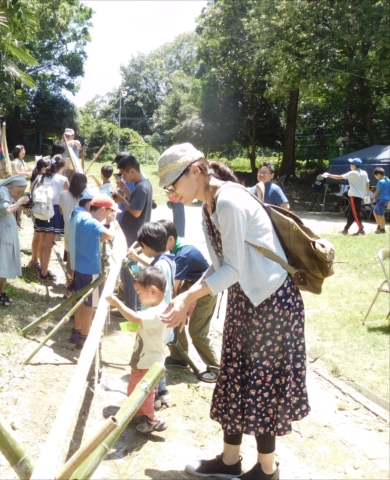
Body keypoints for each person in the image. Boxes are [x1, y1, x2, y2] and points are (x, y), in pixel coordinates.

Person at [158, 143, 308, 480]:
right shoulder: (208, 206)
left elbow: (234, 271)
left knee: (262, 385)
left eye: (172, 184)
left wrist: (186, 298)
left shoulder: (229, 201)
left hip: (271, 306)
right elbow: (220, 265)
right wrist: (192, 299)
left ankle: (267, 469)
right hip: (246, 303)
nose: (171, 193)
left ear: (195, 170)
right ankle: (229, 460)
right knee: (235, 379)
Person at [105, 267, 170, 434]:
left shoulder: (156, 313)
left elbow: (134, 317)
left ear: (153, 290)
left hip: (147, 362)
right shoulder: (161, 309)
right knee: (135, 388)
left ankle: (153, 419)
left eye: (139, 293)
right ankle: (140, 414)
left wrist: (116, 303)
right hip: (145, 359)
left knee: (143, 393)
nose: (138, 297)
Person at [156, 218, 220, 383]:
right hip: (191, 285)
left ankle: (215, 368)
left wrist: (170, 304)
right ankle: (179, 357)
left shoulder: (183, 254)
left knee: (197, 331)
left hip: (206, 290)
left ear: (171, 239)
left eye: (160, 242)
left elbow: (174, 286)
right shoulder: (175, 248)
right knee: (175, 318)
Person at [126, 221, 176, 408]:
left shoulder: (160, 268)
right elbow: (153, 264)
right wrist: (138, 259)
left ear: (146, 246)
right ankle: (161, 392)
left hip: (157, 320)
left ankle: (156, 394)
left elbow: (152, 275)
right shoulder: (167, 260)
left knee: (154, 359)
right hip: (164, 318)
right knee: (158, 356)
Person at [69, 193, 118, 350]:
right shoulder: (93, 223)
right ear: (103, 210)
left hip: (79, 267)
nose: (109, 216)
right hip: (91, 269)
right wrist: (113, 224)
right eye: (109, 212)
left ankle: (77, 332)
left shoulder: (81, 217)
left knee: (80, 300)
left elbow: (100, 238)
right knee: (89, 305)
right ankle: (84, 337)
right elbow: (109, 235)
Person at [112, 154, 153, 316]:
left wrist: (122, 200)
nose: (124, 177)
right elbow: (135, 201)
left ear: (131, 171)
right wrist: (127, 192)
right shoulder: (142, 184)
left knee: (127, 271)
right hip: (135, 234)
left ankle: (129, 309)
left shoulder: (142, 187)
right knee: (133, 270)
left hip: (133, 235)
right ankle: (133, 304)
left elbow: (136, 211)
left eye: (124, 174)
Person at [0, 176, 30, 306]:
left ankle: (1, 290)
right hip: (2, 232)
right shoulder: (1, 192)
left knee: (5, 261)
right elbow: (6, 210)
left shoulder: (5, 192)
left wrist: (19, 206)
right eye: (19, 190)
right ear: (13, 185)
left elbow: (10, 207)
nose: (19, 193)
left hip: (7, 232)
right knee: (0, 259)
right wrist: (18, 202)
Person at [30, 155, 69, 283]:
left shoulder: (43, 177)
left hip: (42, 210)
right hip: (54, 212)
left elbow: (36, 191)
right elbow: (68, 196)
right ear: (61, 167)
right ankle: (44, 272)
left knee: (42, 242)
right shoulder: (63, 179)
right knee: (48, 245)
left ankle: (42, 268)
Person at [58, 173, 88, 296]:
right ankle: (78, 286)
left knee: (70, 260)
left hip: (68, 228)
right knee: (80, 258)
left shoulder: (63, 194)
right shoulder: (85, 197)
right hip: (83, 230)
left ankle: (69, 286)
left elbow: (61, 211)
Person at [324, 157, 370, 235]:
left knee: (355, 213)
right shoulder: (364, 173)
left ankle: (361, 229)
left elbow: (339, 177)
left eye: (351, 164)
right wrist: (367, 195)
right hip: (361, 196)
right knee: (352, 213)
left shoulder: (352, 173)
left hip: (354, 196)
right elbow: (367, 183)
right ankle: (346, 229)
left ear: (354, 165)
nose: (350, 165)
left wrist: (329, 175)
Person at [27, 158, 51, 271]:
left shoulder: (35, 178)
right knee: (39, 238)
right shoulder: (40, 179)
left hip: (35, 210)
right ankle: (37, 261)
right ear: (43, 168)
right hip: (39, 210)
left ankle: (34, 260)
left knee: (36, 236)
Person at [11, 145, 30, 228]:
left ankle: (19, 222)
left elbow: (23, 172)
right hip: (16, 185)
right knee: (16, 203)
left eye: (24, 150)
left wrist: (29, 171)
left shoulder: (22, 161)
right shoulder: (15, 162)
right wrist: (26, 173)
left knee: (21, 203)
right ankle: (13, 222)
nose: (24, 152)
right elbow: (15, 173)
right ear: (17, 151)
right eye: (22, 150)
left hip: (23, 185)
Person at [370, 167, 390, 233]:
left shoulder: (380, 181)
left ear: (378, 174)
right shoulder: (388, 180)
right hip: (386, 199)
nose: (376, 177)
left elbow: (378, 191)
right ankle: (379, 225)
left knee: (380, 214)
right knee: (375, 212)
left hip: (380, 199)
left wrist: (372, 197)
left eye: (375, 176)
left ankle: (382, 229)